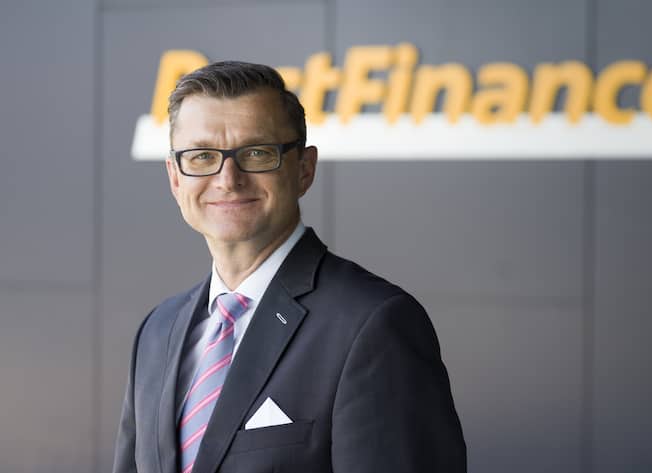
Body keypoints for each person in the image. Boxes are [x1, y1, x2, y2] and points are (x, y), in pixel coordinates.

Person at [112, 61, 467, 473]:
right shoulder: (158, 331)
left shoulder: (374, 325)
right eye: (202, 156)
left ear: (304, 169)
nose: (228, 178)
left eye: (257, 153)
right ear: (175, 178)